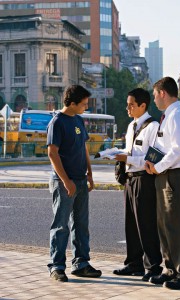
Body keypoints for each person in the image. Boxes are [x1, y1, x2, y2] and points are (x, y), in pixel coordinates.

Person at [145, 77, 180, 290]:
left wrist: (157, 167)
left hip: (175, 175)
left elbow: (178, 150)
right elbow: (164, 146)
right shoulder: (169, 116)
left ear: (163, 93)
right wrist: (152, 162)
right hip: (166, 174)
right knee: (165, 225)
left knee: (177, 225)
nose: (154, 99)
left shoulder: (177, 116)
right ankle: (171, 269)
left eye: (155, 94)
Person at [47, 85, 102, 282]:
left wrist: (90, 173)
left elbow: (83, 148)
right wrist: (66, 181)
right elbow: (52, 153)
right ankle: (56, 266)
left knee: (81, 224)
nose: (86, 107)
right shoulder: (57, 122)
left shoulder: (78, 120)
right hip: (64, 182)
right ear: (72, 103)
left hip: (80, 179)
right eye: (84, 104)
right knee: (61, 225)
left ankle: (81, 263)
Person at [113, 88, 163, 282]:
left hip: (145, 179)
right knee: (131, 223)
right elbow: (128, 151)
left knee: (146, 223)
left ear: (143, 105)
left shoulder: (153, 127)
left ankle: (153, 266)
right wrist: (119, 157)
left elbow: (153, 157)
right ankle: (134, 263)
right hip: (130, 179)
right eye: (127, 104)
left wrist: (128, 158)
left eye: (131, 105)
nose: (128, 108)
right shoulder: (131, 126)